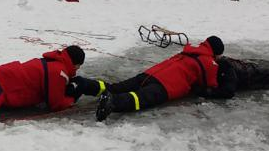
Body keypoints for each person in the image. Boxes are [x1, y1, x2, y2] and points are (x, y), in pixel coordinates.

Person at [87, 36, 225, 121]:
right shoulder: (209, 62)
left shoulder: (190, 50)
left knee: (116, 87)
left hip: (152, 74)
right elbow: (210, 85)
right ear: (216, 52)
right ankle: (113, 102)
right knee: (139, 99)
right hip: (167, 85)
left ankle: (84, 85)